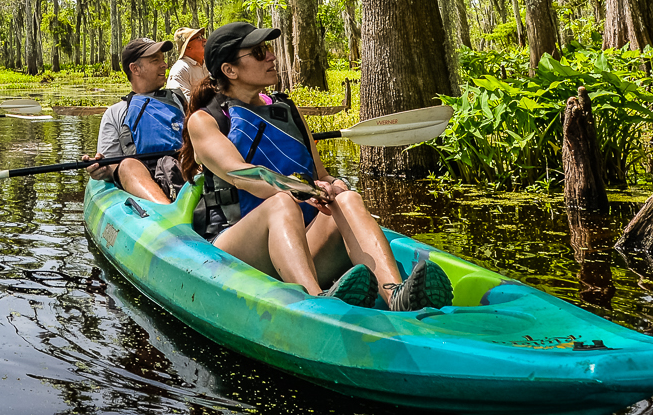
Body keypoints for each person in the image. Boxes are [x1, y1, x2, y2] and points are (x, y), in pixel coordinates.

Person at [184, 22, 448, 310]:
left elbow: (322, 174)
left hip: (297, 246)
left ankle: (395, 295)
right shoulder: (205, 120)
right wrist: (300, 188)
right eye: (259, 52)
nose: (271, 57)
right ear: (229, 70)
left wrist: (333, 186)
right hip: (235, 251)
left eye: (268, 49)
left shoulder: (287, 110)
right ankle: (315, 302)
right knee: (281, 203)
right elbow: (240, 175)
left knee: (347, 199)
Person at [87, 38, 190, 203]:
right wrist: (102, 169)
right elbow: (112, 165)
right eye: (155, 60)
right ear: (135, 69)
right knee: (128, 165)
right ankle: (166, 209)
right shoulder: (115, 113)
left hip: (184, 168)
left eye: (163, 60)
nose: (164, 65)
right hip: (143, 175)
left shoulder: (180, 102)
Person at [170, 27, 209, 95]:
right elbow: (181, 101)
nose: (205, 40)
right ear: (188, 47)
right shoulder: (180, 69)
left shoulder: (210, 63)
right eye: (199, 38)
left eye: (202, 37)